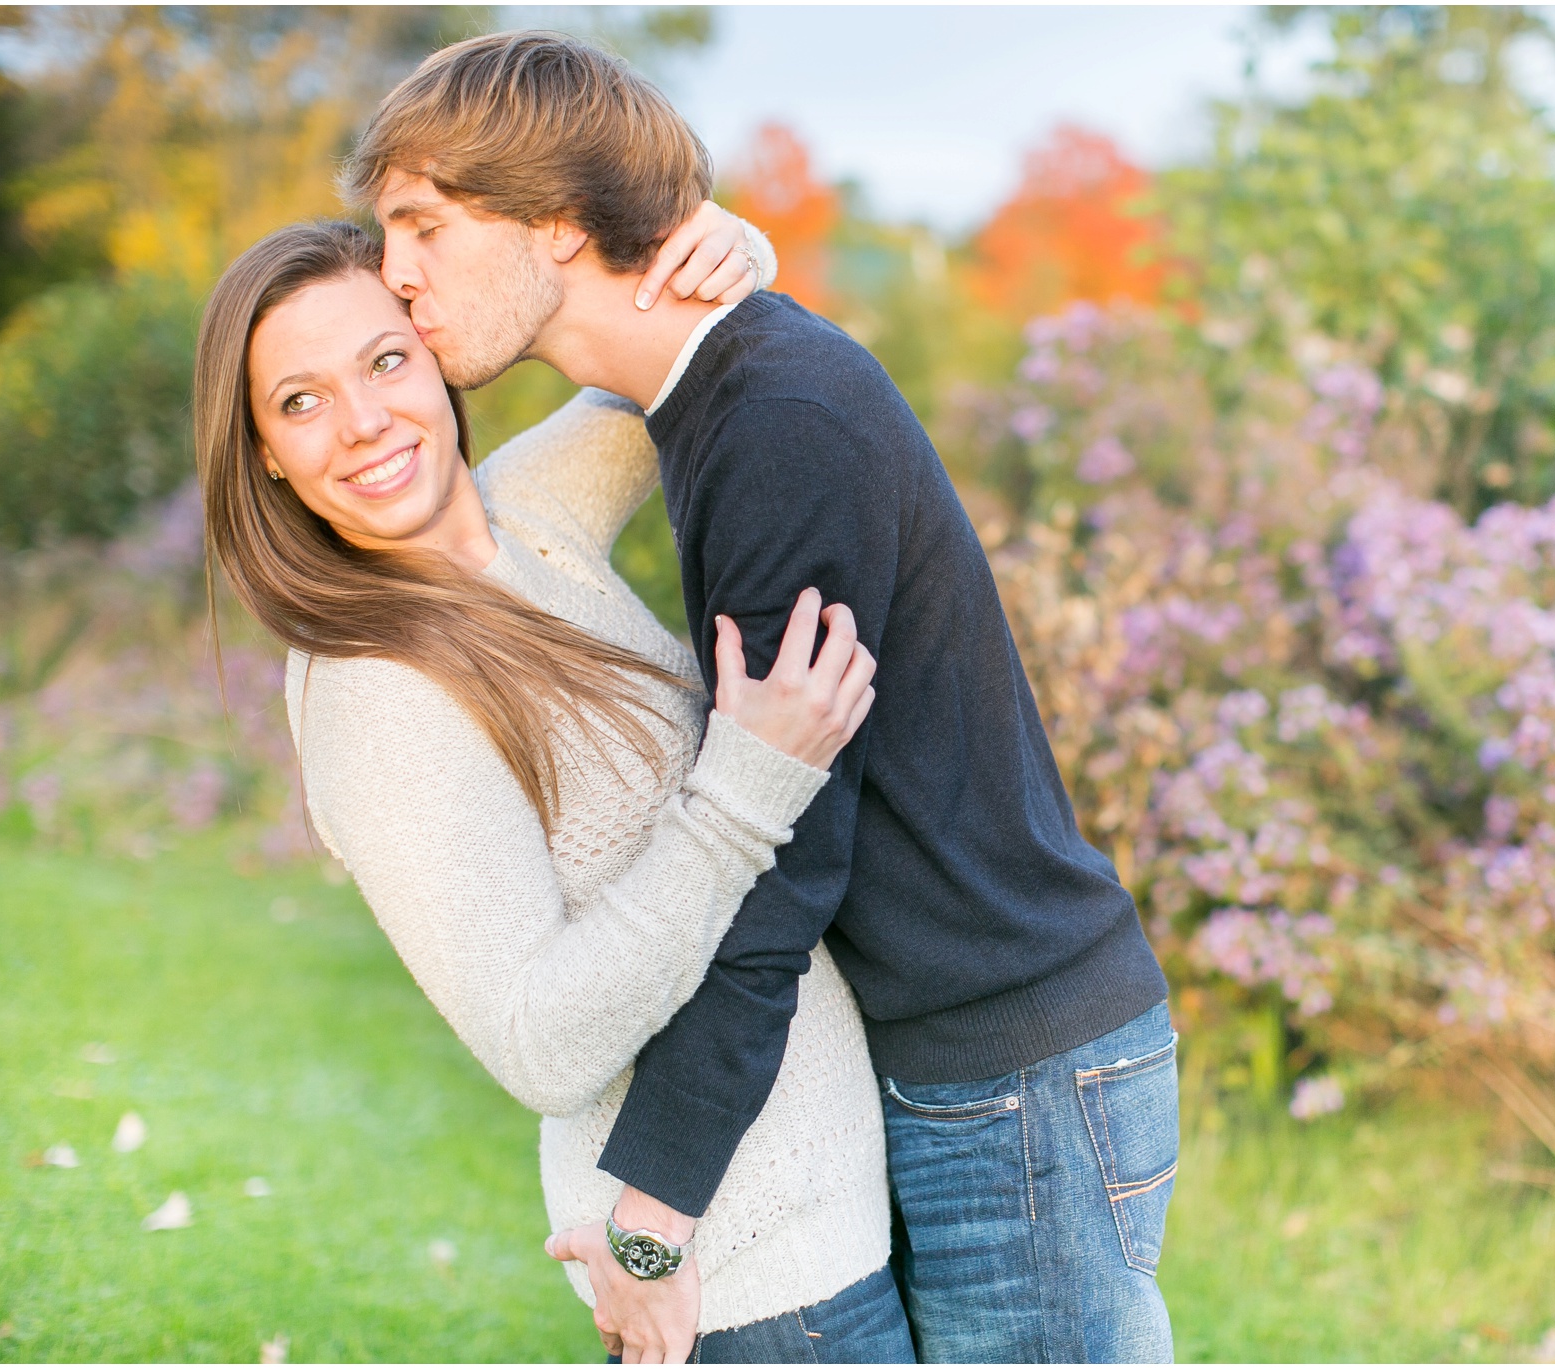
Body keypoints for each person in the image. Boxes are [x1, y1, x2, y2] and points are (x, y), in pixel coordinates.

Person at [345, 31, 1179, 1363]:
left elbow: (783, 846)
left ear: (557, 220)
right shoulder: (718, 388)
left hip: (1016, 1067)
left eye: (424, 226)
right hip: (974, 1056)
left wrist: (658, 1202)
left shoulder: (775, 423)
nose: (393, 275)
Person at [192, 217, 918, 1363]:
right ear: (266, 453)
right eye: (301, 400)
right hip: (739, 1278)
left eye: (384, 361)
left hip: (831, 1212)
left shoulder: (521, 515)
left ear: (433, 350)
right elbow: (539, 1043)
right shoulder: (377, 689)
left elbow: (667, 347)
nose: (366, 420)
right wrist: (746, 783)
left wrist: (732, 239)